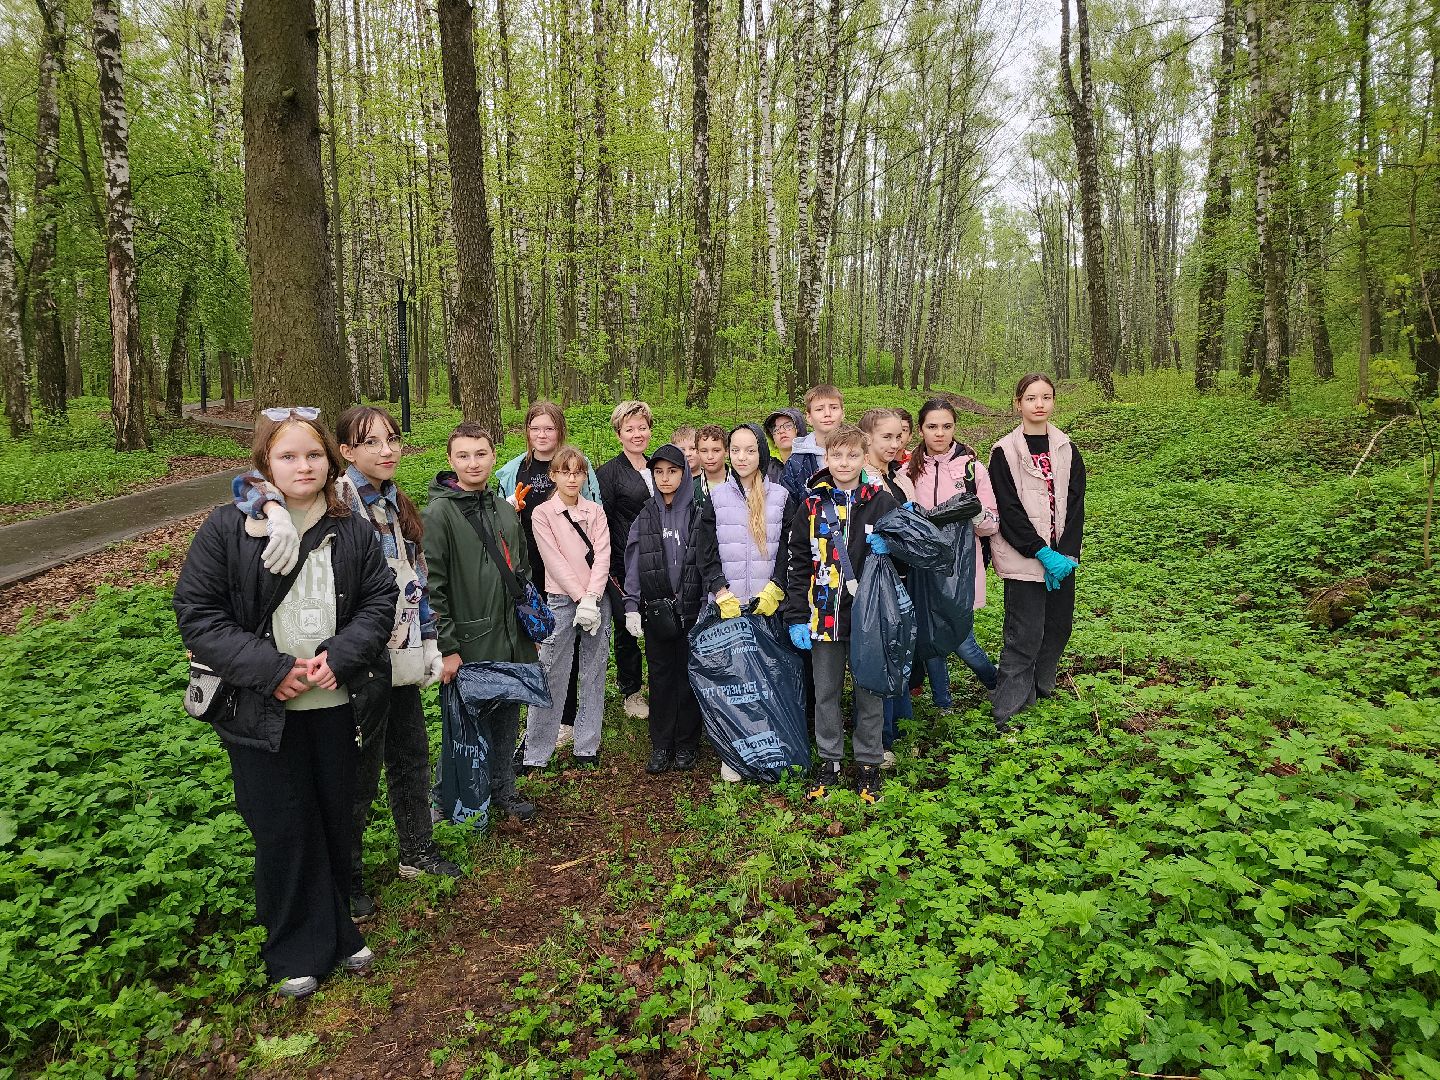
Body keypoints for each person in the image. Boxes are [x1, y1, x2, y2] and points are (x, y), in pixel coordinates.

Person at [174, 407, 396, 999]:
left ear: (331, 461)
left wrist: (342, 655)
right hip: (261, 711)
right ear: (265, 463)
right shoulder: (228, 528)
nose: (304, 466)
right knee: (280, 825)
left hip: (333, 703)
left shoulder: (351, 527)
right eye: (288, 456)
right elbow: (199, 617)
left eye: (314, 455)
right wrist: (270, 670)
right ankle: (294, 948)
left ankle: (336, 933)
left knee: (331, 817)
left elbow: (379, 601)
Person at [237, 406, 461, 925]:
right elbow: (246, 481)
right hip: (351, 657)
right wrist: (272, 515)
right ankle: (350, 877)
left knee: (410, 750)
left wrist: (429, 639)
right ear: (346, 452)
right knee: (357, 770)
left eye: (393, 439)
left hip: (399, 646)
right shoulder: (338, 497)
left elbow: (413, 578)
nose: (387, 450)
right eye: (371, 442)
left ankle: (416, 850)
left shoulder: (395, 502)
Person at [423, 422, 538, 823]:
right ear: (450, 461)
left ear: (493, 456)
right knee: (467, 723)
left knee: (507, 715)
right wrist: (448, 646)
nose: (473, 463)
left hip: (511, 637)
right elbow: (432, 585)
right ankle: (445, 801)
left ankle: (502, 789)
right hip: (471, 640)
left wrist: (529, 630)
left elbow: (520, 571)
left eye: (481, 454)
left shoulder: (504, 509)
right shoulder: (439, 514)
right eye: (463, 455)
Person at [783, 425, 900, 804]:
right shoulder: (811, 506)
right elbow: (798, 562)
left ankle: (868, 761)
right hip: (824, 614)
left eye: (852, 455)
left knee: (869, 691)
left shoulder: (882, 503)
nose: (844, 463)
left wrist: (893, 548)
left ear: (865, 458)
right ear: (826, 459)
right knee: (827, 691)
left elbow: (908, 561)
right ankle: (830, 761)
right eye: (837, 456)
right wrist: (797, 615)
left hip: (869, 617)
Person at [495, 401, 599, 750]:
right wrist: (508, 510)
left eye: (549, 428)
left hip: (570, 575)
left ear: (560, 431)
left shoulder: (577, 467)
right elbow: (496, 524)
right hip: (526, 571)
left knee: (564, 644)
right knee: (533, 643)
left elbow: (595, 515)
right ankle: (534, 717)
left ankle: (565, 719)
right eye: (535, 428)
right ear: (527, 431)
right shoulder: (513, 471)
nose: (542, 434)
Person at [623, 444, 732, 775]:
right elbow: (633, 563)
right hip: (657, 613)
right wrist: (631, 605)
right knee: (660, 678)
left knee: (688, 679)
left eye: (672, 471)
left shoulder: (699, 513)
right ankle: (661, 744)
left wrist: (703, 606)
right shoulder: (645, 515)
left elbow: (705, 561)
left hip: (690, 613)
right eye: (659, 472)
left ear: (685, 474)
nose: (665, 478)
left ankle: (686, 744)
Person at [988, 373, 1085, 733]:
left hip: (1063, 560)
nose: (1039, 404)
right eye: (1031, 398)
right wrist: (1042, 553)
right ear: (1018, 404)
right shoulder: (1004, 451)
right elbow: (1009, 510)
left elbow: (1075, 503)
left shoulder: (1066, 447)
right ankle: (1008, 711)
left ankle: (1041, 690)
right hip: (1025, 558)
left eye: (1045, 397)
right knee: (1024, 634)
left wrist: (1066, 555)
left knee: (1058, 627)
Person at [709, 423, 790, 782]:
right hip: (729, 606)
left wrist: (777, 588)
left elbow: (792, 549)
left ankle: (772, 749)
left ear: (761, 453)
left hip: (765, 605)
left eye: (749, 450)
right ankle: (736, 752)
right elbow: (705, 550)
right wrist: (719, 589)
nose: (741, 457)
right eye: (735, 450)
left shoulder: (782, 496)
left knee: (768, 679)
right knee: (736, 683)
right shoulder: (714, 497)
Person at [907, 398, 1001, 707]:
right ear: (921, 429)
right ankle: (943, 703)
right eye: (932, 427)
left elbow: (991, 524)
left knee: (961, 639)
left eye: (947, 426)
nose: (939, 433)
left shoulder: (972, 469)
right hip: (923, 569)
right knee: (932, 636)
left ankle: (995, 682)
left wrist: (975, 514)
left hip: (962, 568)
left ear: (955, 428)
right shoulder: (909, 468)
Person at [524, 446, 612, 770]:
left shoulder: (595, 512)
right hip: (562, 601)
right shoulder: (543, 514)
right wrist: (580, 597)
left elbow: (603, 554)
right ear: (554, 475)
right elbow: (554, 560)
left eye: (578, 472)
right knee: (552, 672)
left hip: (596, 599)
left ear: (584, 475)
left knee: (594, 669)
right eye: (565, 472)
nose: (572, 478)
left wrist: (592, 597)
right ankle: (536, 752)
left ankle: (587, 745)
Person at [857, 408, 916, 767]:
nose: (895, 444)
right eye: (886, 437)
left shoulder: (897, 477)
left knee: (895, 649)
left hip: (897, 575)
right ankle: (879, 740)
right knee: (878, 655)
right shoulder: (862, 477)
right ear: (868, 438)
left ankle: (894, 728)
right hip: (870, 580)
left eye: (898, 437)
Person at [596, 401, 655, 721]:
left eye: (642, 427)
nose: (637, 434)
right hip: (621, 564)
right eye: (629, 429)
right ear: (618, 433)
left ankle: (661, 684)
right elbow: (600, 521)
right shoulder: (608, 473)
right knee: (627, 628)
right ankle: (631, 691)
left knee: (659, 625)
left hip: (658, 561)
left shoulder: (658, 465)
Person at [778, 385, 845, 503]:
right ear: (809, 417)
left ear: (842, 413)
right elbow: (789, 510)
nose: (827, 414)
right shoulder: (796, 463)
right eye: (819, 409)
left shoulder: (858, 451)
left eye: (834, 407)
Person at [762, 408, 807, 481]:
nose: (781, 431)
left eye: (788, 426)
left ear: (799, 429)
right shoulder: (766, 469)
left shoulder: (813, 461)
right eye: (776, 429)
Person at [694, 424, 729, 506]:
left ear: (727, 451)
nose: (710, 457)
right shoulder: (690, 489)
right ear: (697, 452)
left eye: (716, 450)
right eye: (704, 451)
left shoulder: (741, 483)